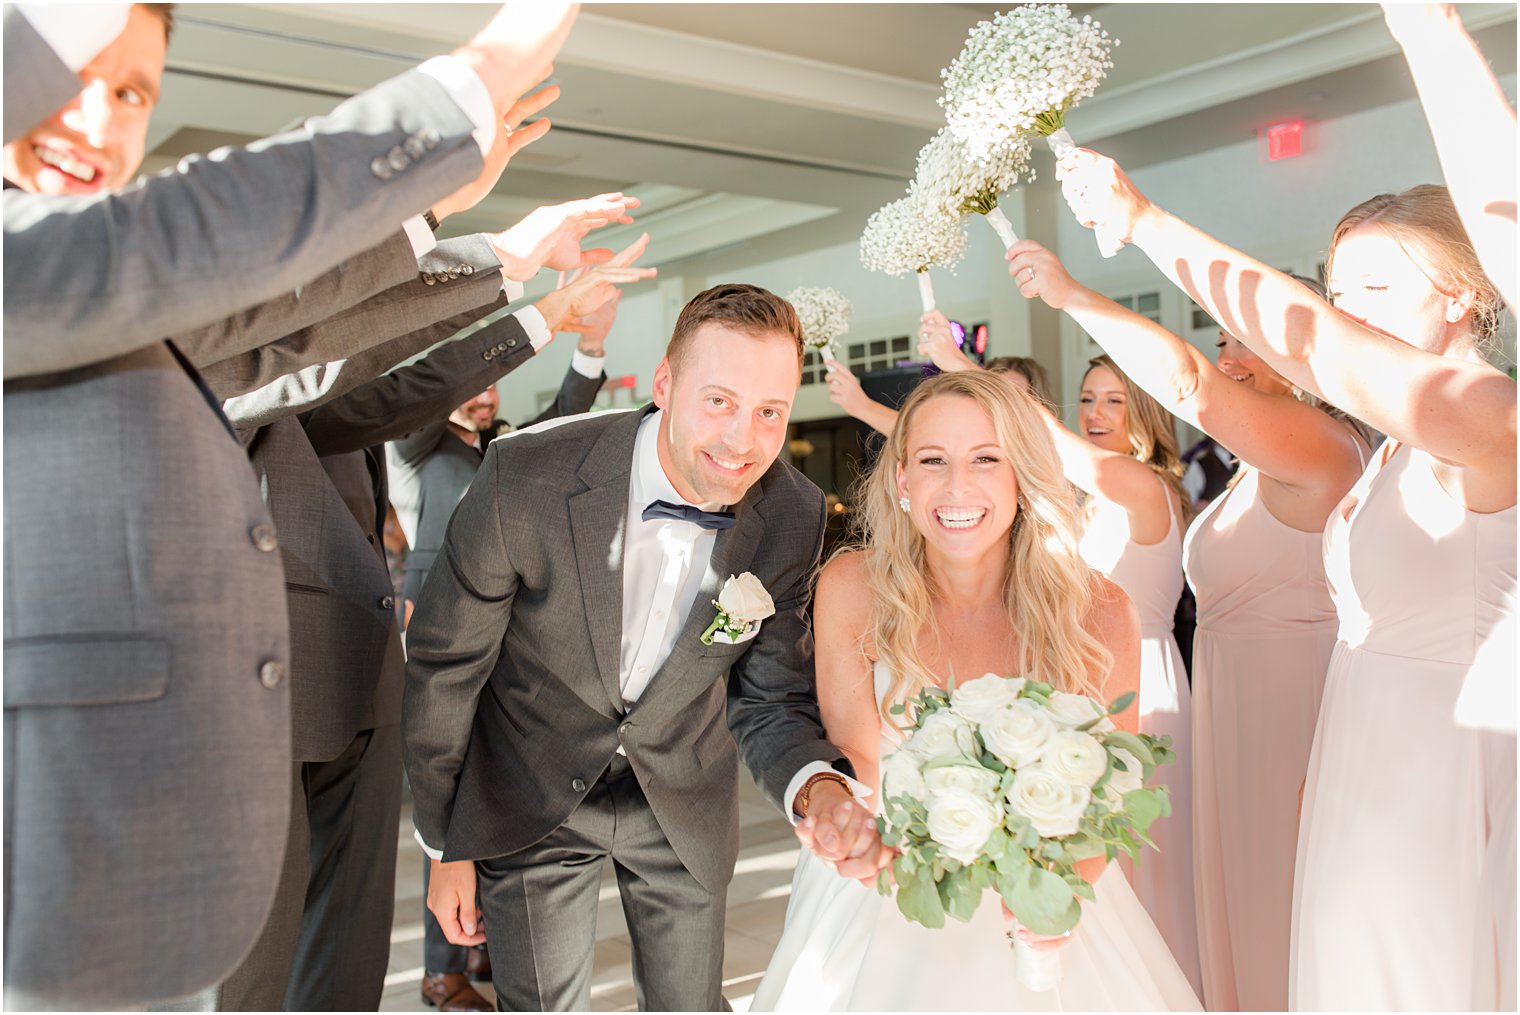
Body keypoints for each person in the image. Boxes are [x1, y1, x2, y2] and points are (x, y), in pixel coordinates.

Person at [2, 3, 580, 1007]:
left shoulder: (94, 289)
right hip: (58, 847)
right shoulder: (47, 261)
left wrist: (434, 225)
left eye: (133, 89)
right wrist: (469, 80)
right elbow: (200, 249)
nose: (98, 118)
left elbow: (271, 325)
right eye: (68, 71)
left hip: (145, 842)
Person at [1059, 150, 1515, 1011]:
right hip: (1356, 757)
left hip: (1442, 772)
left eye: (1374, 288)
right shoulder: (1395, 449)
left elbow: (1275, 353)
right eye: (1337, 293)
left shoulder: (1485, 411)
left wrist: (1145, 223)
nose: (1343, 315)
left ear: (1462, 296)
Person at [403, 283, 883, 1011]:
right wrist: (446, 844)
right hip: (531, 789)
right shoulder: (523, 477)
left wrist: (817, 787)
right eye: (718, 400)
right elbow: (446, 670)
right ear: (664, 384)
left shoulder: (792, 512)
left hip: (683, 794)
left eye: (769, 413)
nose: (741, 440)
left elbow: (769, 699)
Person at [751, 369, 1200, 1011]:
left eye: (986, 459)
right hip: (892, 882)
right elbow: (860, 762)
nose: (957, 486)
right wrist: (844, 828)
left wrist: (1054, 906)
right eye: (933, 460)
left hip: (1047, 889)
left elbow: (1111, 796)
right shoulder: (854, 587)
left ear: (1023, 472)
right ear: (902, 479)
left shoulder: (1098, 609)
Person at [1006, 243, 1373, 1011]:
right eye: (1222, 340)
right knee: (1235, 917)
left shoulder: (1320, 443)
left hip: (1290, 711)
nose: (1226, 355)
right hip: (1231, 704)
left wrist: (1072, 293)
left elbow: (1185, 384)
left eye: (1245, 339)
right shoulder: (1255, 464)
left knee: (1281, 918)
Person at [388, 297, 617, 1014]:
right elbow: (431, 392)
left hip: (510, 635)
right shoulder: (415, 446)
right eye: (474, 385)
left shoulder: (503, 447)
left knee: (497, 779)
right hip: (439, 636)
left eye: (492, 387)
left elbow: (564, 414)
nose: (486, 396)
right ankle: (439, 971)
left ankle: (482, 935)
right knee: (448, 794)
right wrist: (498, 336)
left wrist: (590, 346)